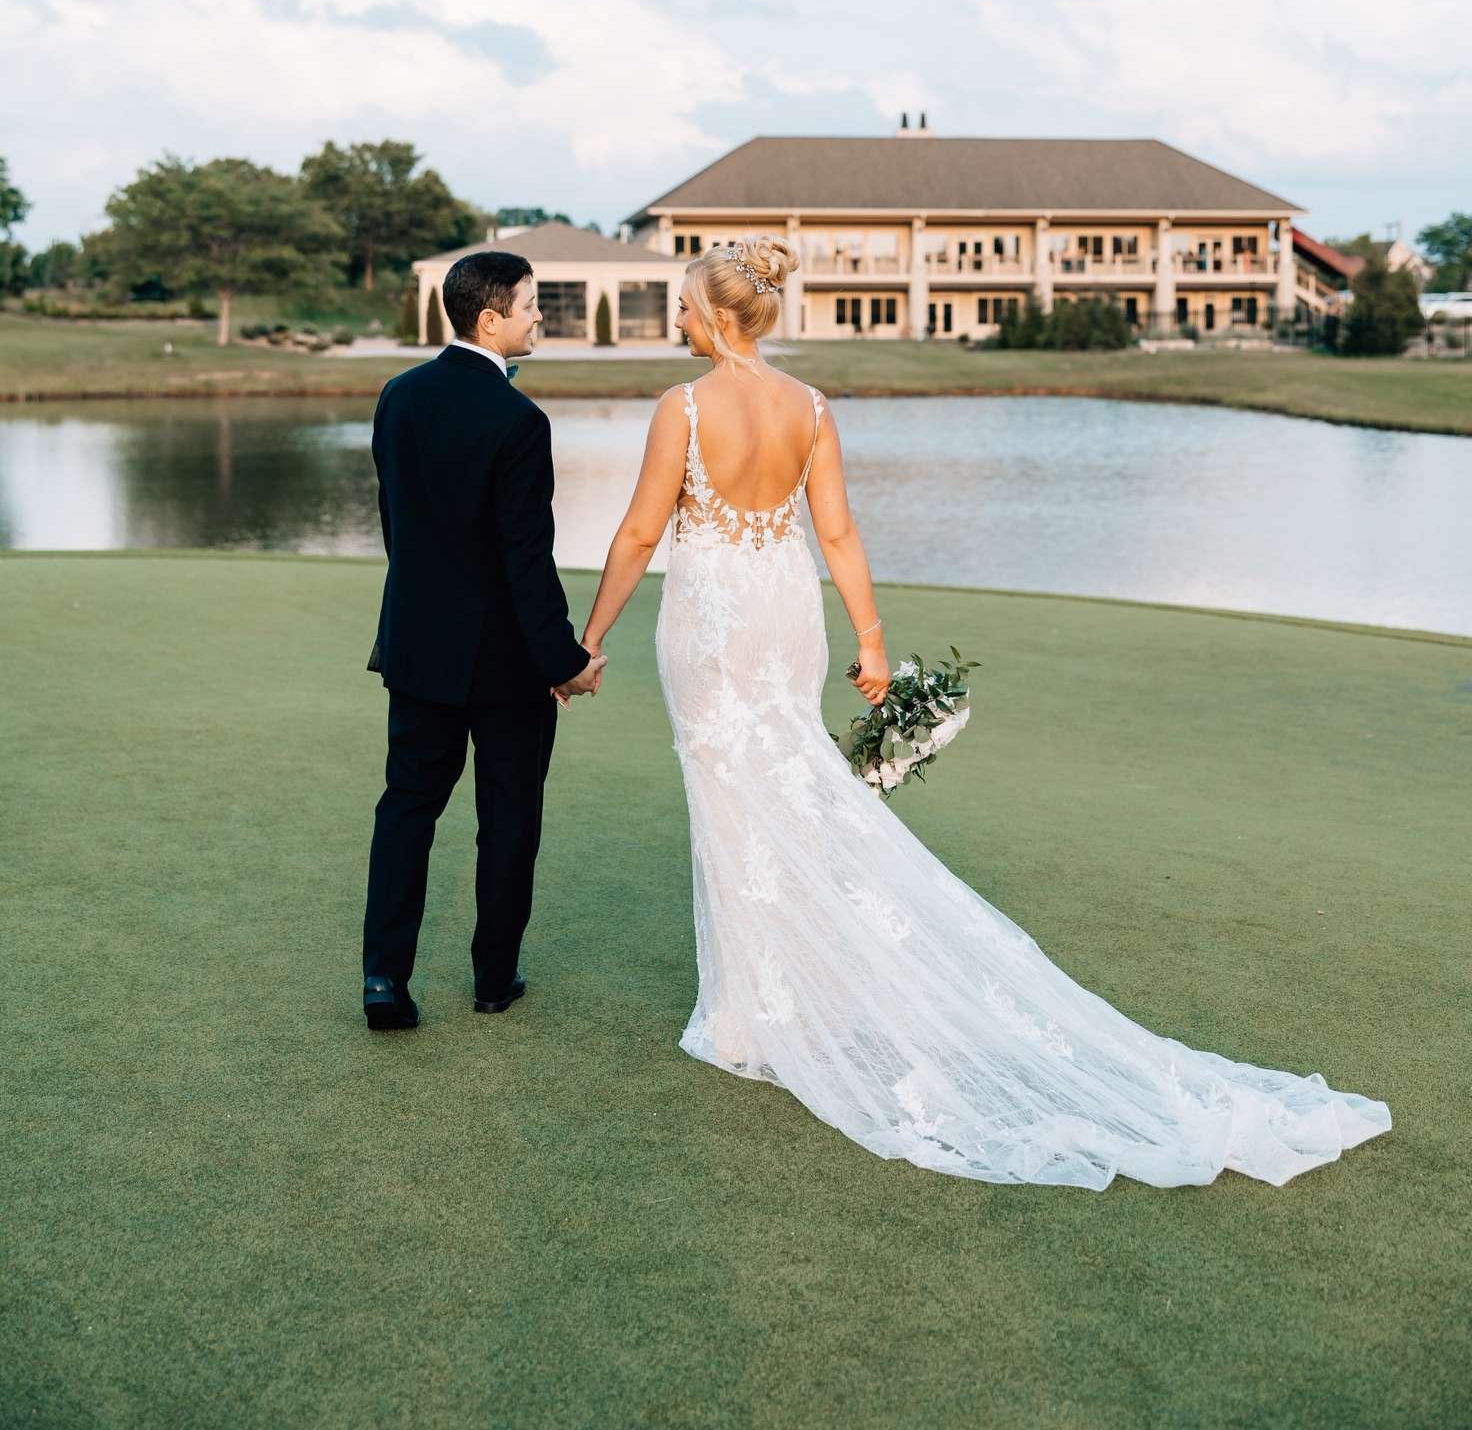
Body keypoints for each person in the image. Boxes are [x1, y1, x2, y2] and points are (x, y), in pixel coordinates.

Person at [579, 235, 1391, 1188]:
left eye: (683, 305)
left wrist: (588, 639)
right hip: (787, 611)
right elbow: (836, 531)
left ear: (717, 315)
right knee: (786, 792)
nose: (676, 319)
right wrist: (871, 641)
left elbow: (641, 531)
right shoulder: (810, 405)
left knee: (734, 800)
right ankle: (764, 1003)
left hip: (715, 619)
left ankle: (748, 1019)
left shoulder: (681, 406)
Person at [360, 249, 604, 1031]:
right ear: (491, 319)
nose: (541, 317)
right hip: (504, 665)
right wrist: (565, 661)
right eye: (532, 305)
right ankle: (494, 979)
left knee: (407, 808)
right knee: (508, 818)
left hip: (417, 646)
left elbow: (397, 529)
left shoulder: (398, 396)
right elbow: (525, 559)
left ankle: (383, 982)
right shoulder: (520, 421)